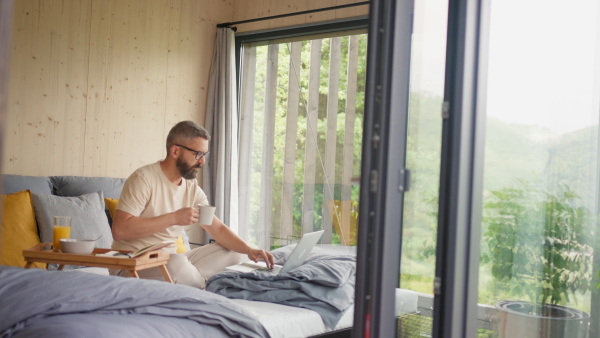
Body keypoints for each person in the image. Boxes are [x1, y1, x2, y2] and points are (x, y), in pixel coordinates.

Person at [110, 120, 274, 288]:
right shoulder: (143, 179)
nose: (202, 161)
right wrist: (174, 218)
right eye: (198, 154)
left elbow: (216, 228)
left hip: (171, 260)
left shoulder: (191, 186)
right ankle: (203, 288)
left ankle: (190, 280)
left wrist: (249, 250)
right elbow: (120, 230)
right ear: (175, 151)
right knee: (176, 262)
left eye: (204, 154)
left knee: (233, 251)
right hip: (131, 265)